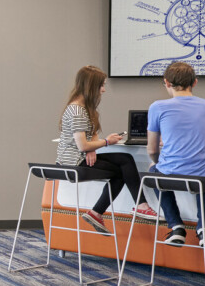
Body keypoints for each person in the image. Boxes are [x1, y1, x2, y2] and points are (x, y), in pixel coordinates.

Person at [54, 65, 157, 235]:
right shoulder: (77, 111)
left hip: (81, 158)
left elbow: (91, 135)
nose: (103, 90)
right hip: (73, 163)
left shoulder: (85, 108)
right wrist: (105, 142)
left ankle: (105, 211)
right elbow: (82, 145)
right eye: (101, 85)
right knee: (123, 167)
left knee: (124, 163)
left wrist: (93, 148)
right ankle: (137, 205)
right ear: (91, 86)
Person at [147, 61, 205, 249]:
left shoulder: (157, 107)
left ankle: (176, 226)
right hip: (203, 178)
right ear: (195, 82)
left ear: (166, 83)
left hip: (170, 177)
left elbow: (151, 150)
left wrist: (161, 161)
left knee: (153, 170)